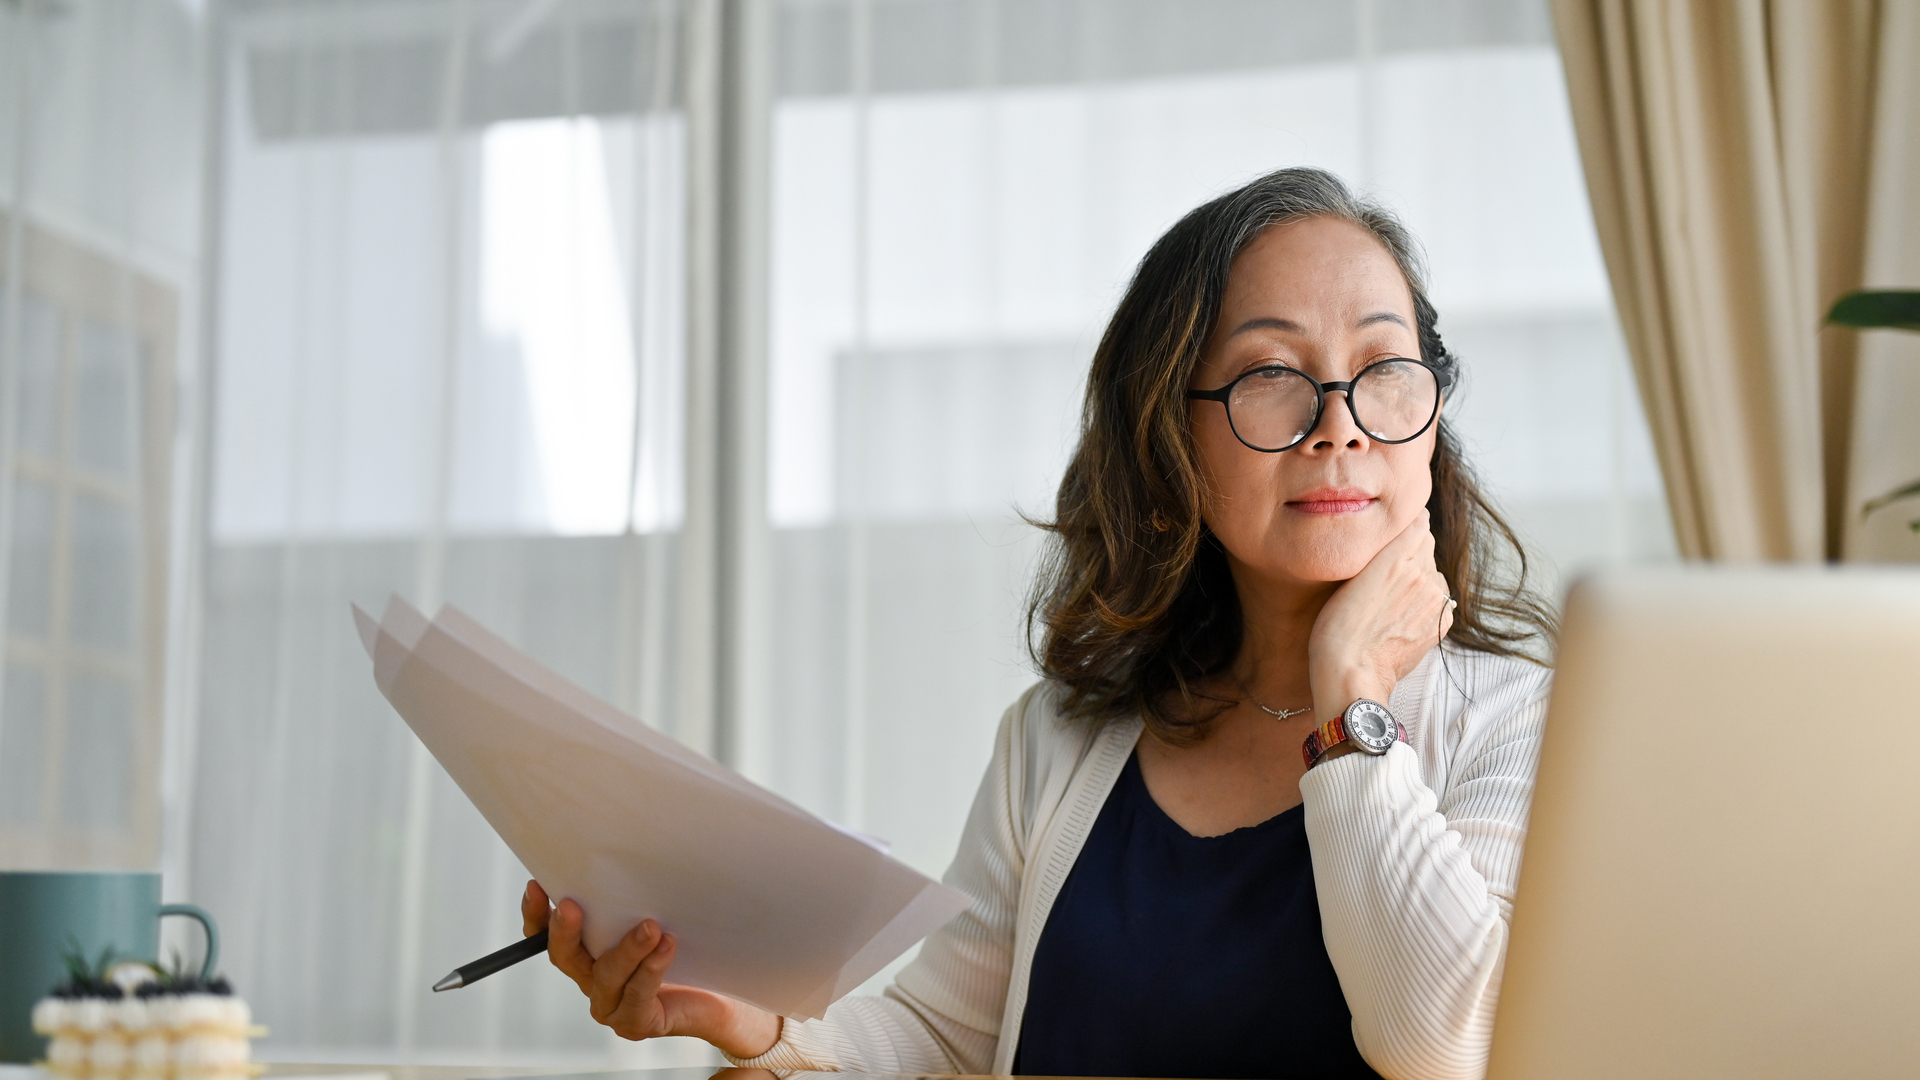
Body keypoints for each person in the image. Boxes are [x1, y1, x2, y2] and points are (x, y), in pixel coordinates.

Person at [518, 167, 1556, 1080]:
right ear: (1170, 441)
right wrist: (763, 1027)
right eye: (1271, 377)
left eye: (1384, 369)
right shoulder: (1057, 740)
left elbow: (1440, 1047)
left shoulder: (1520, 721)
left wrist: (1352, 700)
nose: (1339, 423)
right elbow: (940, 1043)